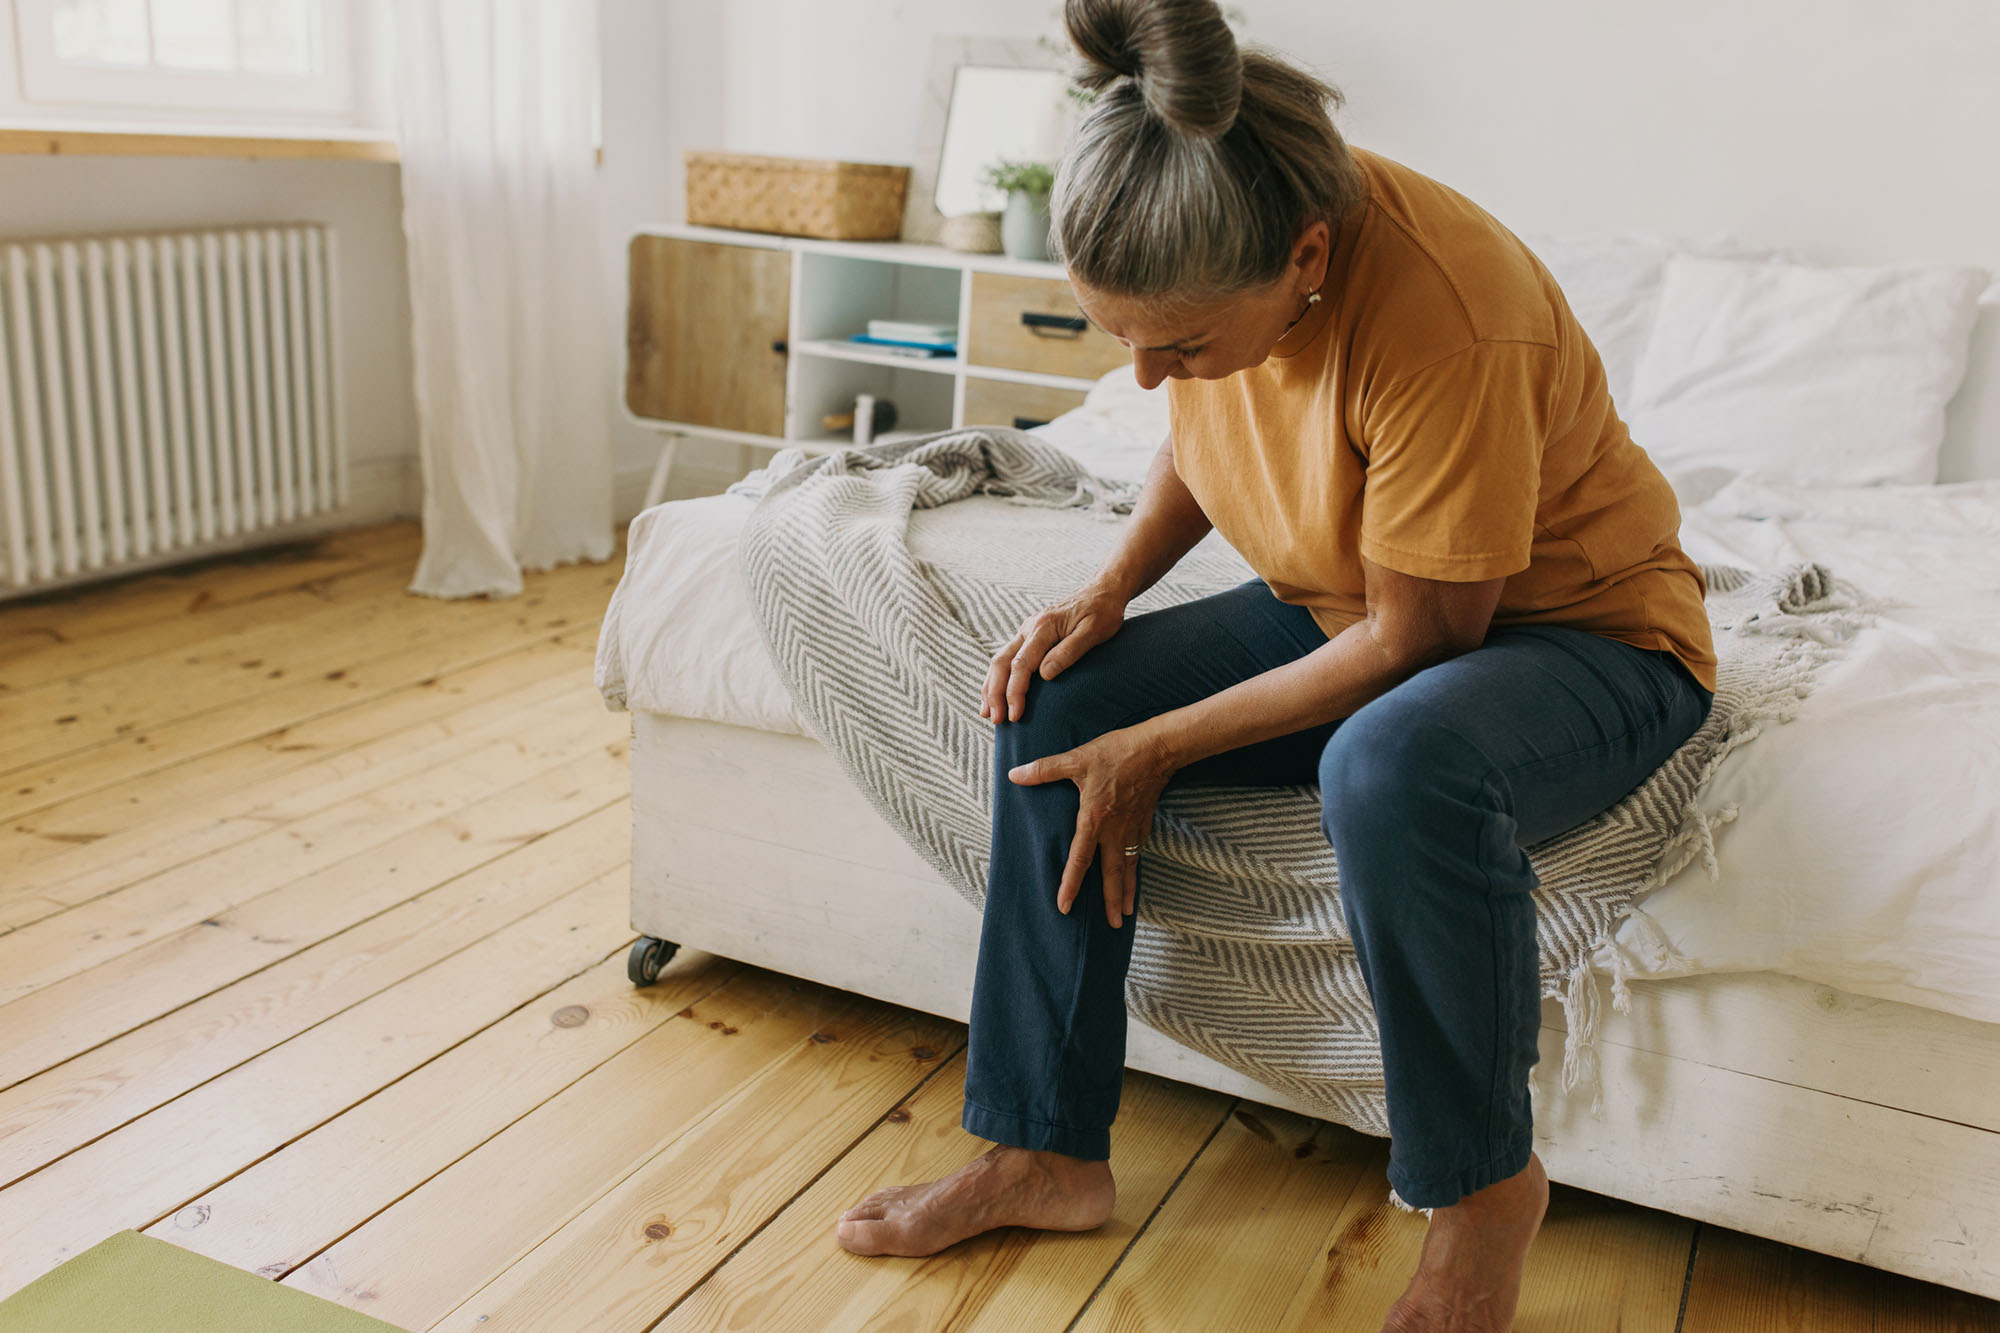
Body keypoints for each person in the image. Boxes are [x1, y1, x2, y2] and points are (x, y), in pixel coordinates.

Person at [834, 0, 1718, 1327]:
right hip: (1346, 600)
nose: (1144, 379)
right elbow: (1202, 421)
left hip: (1582, 636)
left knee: (1395, 761)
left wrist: (1168, 745)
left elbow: (1423, 644)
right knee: (1059, 701)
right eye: (1119, 339)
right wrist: (1108, 591)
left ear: (1308, 259)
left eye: (1175, 344)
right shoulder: (1211, 231)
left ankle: (1483, 1196)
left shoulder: (1450, 310)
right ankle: (1044, 1144)